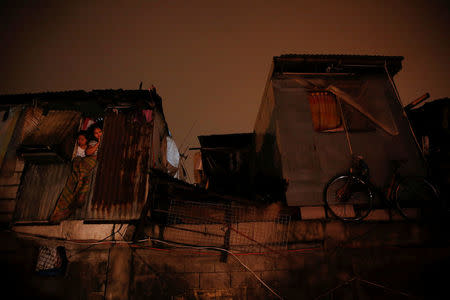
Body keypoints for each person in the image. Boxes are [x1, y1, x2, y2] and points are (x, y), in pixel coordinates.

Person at [49, 123, 103, 223]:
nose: (98, 134)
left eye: (100, 132)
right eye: (96, 133)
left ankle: (78, 197)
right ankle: (72, 202)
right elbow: (88, 153)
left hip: (91, 163)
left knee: (82, 177)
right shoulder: (93, 142)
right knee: (78, 178)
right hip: (87, 162)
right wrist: (98, 144)